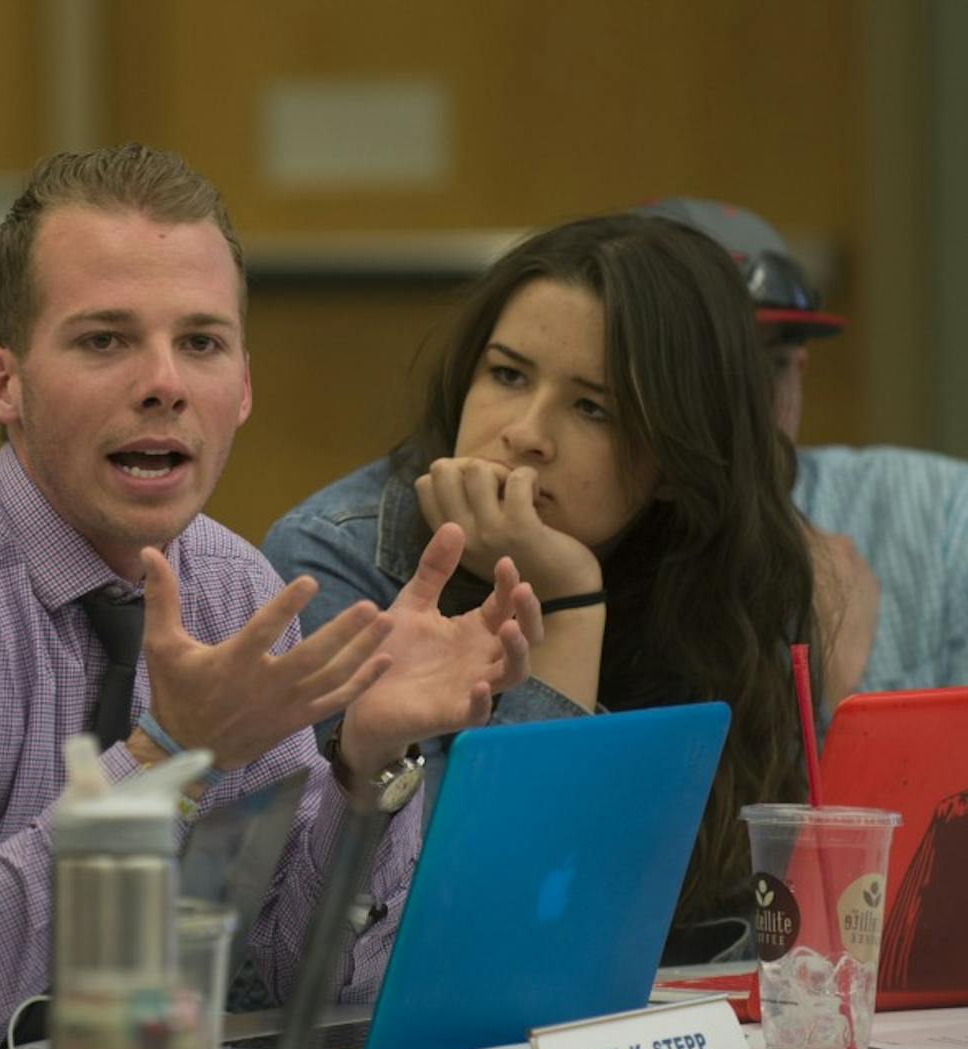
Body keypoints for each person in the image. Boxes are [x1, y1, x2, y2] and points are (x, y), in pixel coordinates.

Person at [0, 143, 542, 1049]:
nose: (165, 383)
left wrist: (366, 765)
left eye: (201, 343)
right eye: (104, 339)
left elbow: (297, 975)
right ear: (2, 382)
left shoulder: (234, 589)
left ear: (245, 387)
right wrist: (161, 762)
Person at [262, 214, 818, 954]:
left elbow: (744, 914)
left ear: (678, 460)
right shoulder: (338, 556)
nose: (525, 431)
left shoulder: (724, 571)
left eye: (593, 406)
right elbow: (473, 928)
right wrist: (566, 600)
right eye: (508, 374)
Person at [639, 197, 968, 703]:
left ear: (801, 366)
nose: (746, 409)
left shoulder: (938, 511)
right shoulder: (570, 547)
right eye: (705, 370)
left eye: (770, 366)